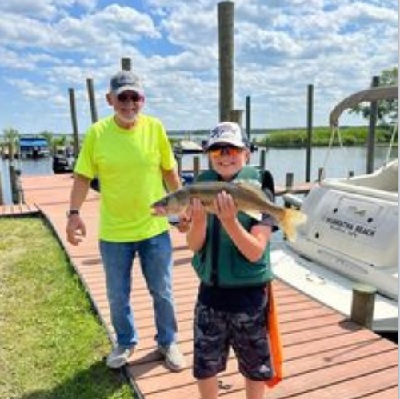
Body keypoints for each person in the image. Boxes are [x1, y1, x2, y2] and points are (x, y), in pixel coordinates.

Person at [66, 70, 188, 372]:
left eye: (136, 97)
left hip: (155, 228)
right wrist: (73, 213)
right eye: (123, 97)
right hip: (114, 232)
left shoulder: (156, 128)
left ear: (143, 100)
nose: (129, 103)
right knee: (117, 294)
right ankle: (125, 341)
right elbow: (82, 176)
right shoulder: (97, 133)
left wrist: (183, 207)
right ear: (110, 99)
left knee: (163, 290)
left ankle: (168, 341)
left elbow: (170, 172)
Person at [186, 121, 277, 399]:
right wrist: (199, 220)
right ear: (208, 157)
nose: (225, 156)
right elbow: (194, 245)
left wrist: (229, 221)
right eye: (217, 152)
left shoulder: (259, 188)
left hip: (248, 298)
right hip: (210, 295)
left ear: (247, 153)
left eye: (232, 149)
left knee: (255, 366)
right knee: (205, 365)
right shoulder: (200, 188)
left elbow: (255, 251)